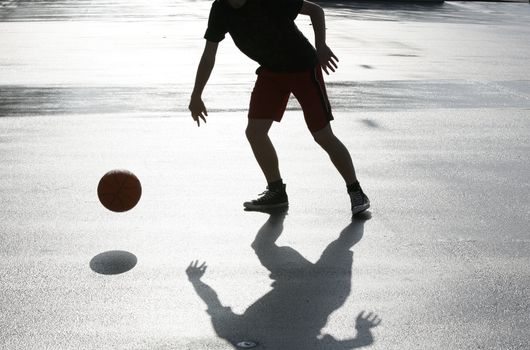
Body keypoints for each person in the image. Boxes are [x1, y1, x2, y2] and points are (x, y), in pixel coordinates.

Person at [188, 0, 370, 215]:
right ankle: (277, 192)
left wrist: (321, 45)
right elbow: (209, 55)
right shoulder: (220, 8)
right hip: (272, 72)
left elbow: (315, 10)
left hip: (303, 68)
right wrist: (197, 94)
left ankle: (356, 191)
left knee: (322, 135)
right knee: (255, 132)